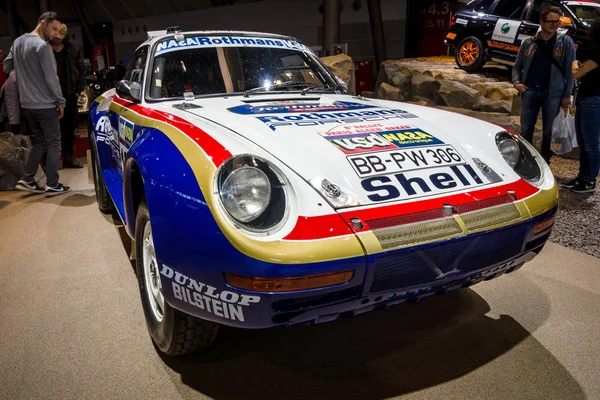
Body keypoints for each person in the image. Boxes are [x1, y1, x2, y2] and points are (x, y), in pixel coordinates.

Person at [4, 11, 70, 196]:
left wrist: (26, 72)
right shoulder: (43, 47)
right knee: (54, 143)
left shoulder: (17, 42)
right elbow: (51, 78)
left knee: (41, 141)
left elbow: (7, 67)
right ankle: (52, 184)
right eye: (53, 28)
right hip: (45, 104)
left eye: (59, 30)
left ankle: (27, 178)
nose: (56, 33)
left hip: (26, 104)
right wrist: (60, 102)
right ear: (42, 23)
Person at [512, 6, 576, 164]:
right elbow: (516, 66)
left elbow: (570, 70)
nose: (554, 25)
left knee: (549, 131)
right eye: (550, 22)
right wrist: (517, 84)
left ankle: (544, 161)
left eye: (557, 22)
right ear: (541, 22)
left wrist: (567, 94)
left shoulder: (565, 42)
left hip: (553, 94)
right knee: (526, 128)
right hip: (530, 91)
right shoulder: (529, 43)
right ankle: (525, 159)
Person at [562, 18, 600, 193]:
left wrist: (575, 62)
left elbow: (576, 72)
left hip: (593, 100)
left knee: (590, 143)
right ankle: (582, 177)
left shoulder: (598, 50)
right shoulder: (591, 46)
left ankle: (589, 180)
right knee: (584, 142)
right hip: (585, 98)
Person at [51, 23, 85, 168]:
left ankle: (68, 157)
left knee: (70, 128)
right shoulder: (45, 49)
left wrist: (78, 90)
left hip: (69, 93)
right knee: (51, 129)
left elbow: (81, 69)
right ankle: (50, 161)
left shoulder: (73, 49)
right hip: (51, 95)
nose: (57, 39)